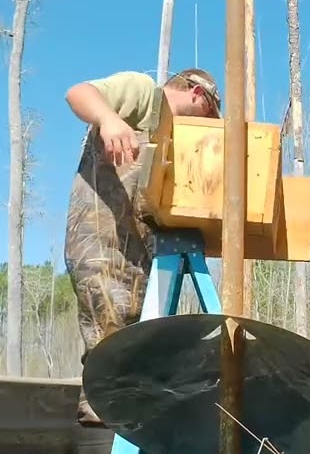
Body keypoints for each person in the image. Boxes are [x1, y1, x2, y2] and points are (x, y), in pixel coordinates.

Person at [63, 68, 222, 426]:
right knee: (109, 325)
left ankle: (130, 428)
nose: (207, 126)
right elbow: (78, 92)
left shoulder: (174, 140)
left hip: (139, 253)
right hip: (99, 239)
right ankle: (101, 427)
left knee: (137, 334)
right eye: (210, 116)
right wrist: (108, 119)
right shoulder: (144, 93)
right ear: (197, 94)